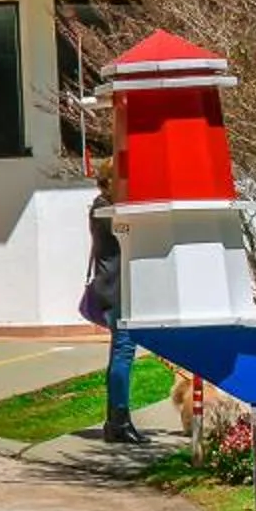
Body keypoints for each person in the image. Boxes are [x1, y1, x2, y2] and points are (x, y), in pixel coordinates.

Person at [84, 187, 150, 445]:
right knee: (123, 351)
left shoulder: (100, 208)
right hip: (117, 290)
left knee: (120, 353)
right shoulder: (108, 212)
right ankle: (118, 422)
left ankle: (116, 420)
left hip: (111, 288)